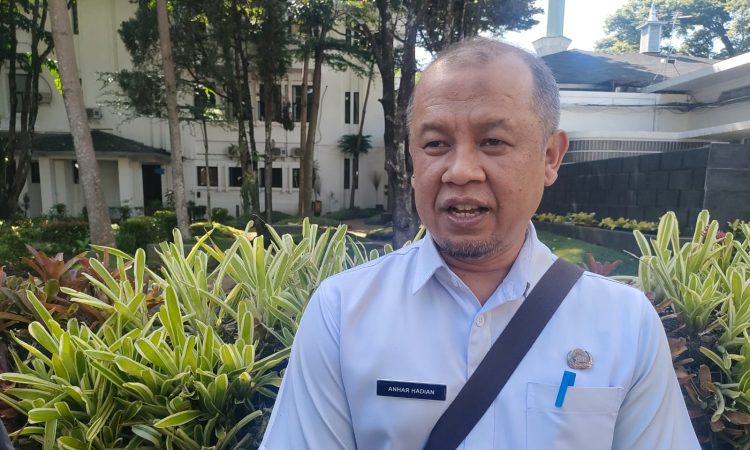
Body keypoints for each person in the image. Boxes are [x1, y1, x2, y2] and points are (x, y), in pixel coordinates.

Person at [260, 38, 700, 450]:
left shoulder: (625, 323)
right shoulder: (343, 312)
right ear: (412, 159)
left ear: (550, 157)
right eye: (436, 144)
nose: (460, 171)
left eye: (493, 141)